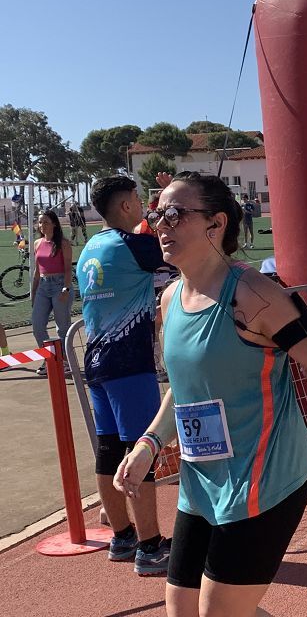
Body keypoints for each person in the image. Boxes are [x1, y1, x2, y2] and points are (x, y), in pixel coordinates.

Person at [115, 172, 307, 616]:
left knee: (218, 613)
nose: (160, 224)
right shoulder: (171, 299)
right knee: (181, 609)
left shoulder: (253, 295)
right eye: (156, 214)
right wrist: (149, 444)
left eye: (173, 214)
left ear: (216, 224)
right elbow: (186, 387)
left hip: (265, 479)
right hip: (202, 481)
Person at [76, 176, 171, 575]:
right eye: (136, 198)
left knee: (109, 450)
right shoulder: (133, 245)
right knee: (140, 452)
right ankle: (149, 546)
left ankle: (122, 536)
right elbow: (181, 250)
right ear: (127, 205)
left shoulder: (90, 248)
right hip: (128, 363)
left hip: (97, 362)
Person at [31, 210, 73, 375]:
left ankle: (64, 361)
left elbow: (68, 268)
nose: (42, 225)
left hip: (60, 285)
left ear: (54, 224)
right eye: (40, 222)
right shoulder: (37, 243)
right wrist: (33, 292)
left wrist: (66, 288)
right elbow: (36, 271)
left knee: (62, 328)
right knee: (37, 325)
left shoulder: (63, 243)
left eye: (46, 222)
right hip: (43, 286)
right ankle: (49, 358)